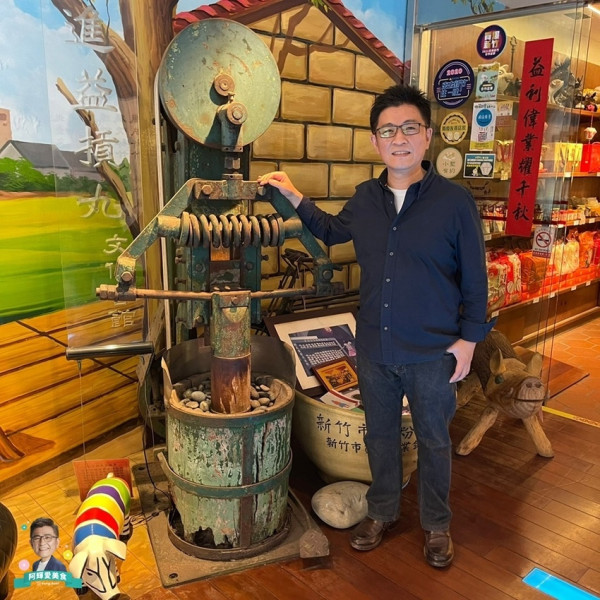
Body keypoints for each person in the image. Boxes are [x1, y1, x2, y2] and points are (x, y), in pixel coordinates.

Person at [258, 84, 493, 568]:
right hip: (374, 348)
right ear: (375, 141)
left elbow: (476, 277)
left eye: (409, 128)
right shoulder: (366, 198)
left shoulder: (454, 202)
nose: (399, 139)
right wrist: (294, 195)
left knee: (433, 441)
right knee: (380, 436)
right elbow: (330, 231)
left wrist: (469, 341)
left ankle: (436, 524)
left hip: (433, 352)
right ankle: (382, 511)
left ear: (427, 136)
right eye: (388, 131)